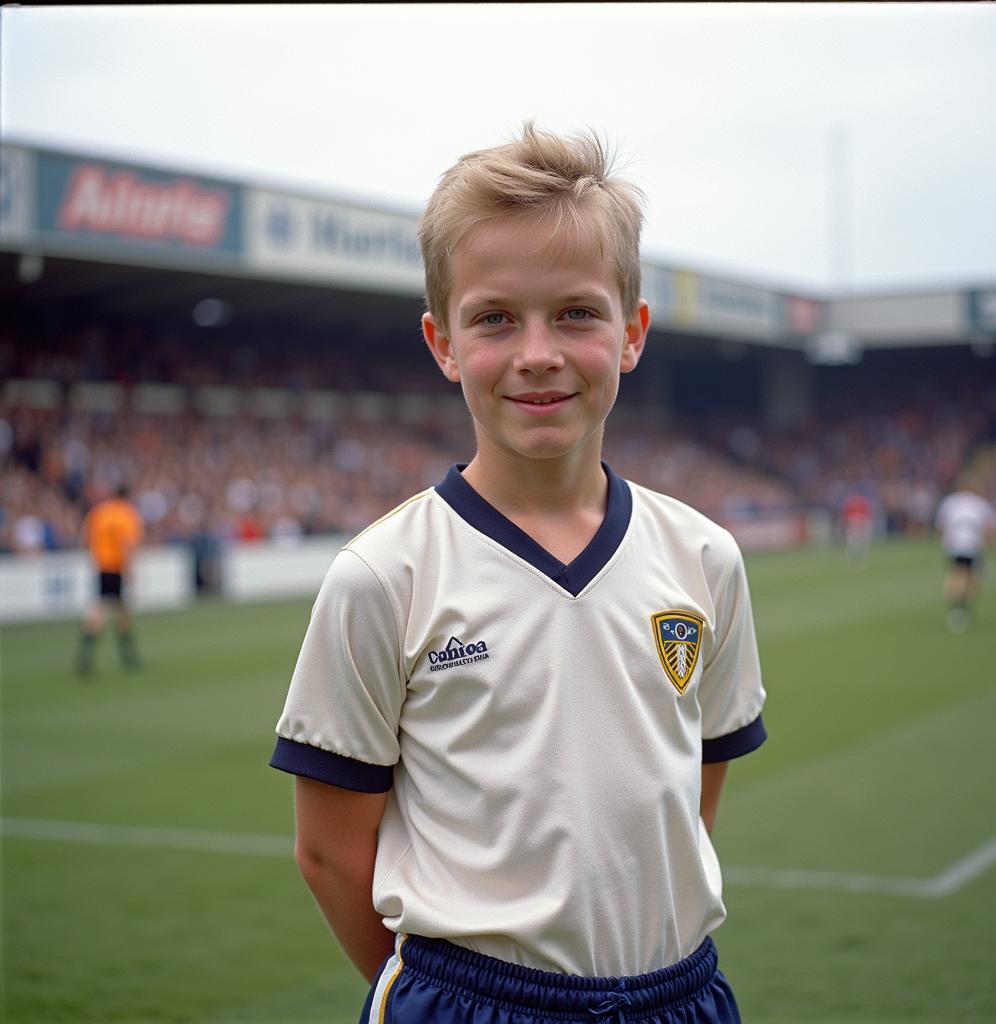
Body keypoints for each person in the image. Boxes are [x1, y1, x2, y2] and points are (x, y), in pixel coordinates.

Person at [269, 123, 767, 1024]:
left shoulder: (704, 558)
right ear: (443, 343)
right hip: (471, 1000)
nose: (537, 350)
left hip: (682, 994)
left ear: (632, 332)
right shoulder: (383, 576)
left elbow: (692, 800)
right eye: (495, 318)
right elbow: (331, 853)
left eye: (577, 312)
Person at [75, 482, 144, 674]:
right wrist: (130, 573)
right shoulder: (128, 514)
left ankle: (127, 656)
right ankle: (88, 655)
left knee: (120, 610)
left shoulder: (100, 512)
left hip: (102, 564)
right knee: (104, 610)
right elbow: (127, 545)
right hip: (116, 566)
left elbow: (85, 536)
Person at [934, 478, 996, 632]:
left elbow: (941, 525)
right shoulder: (980, 503)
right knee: (967, 575)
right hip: (972, 544)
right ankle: (959, 607)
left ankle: (958, 605)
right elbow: (988, 526)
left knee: (959, 574)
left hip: (954, 543)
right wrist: (991, 543)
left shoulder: (950, 502)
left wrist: (944, 540)